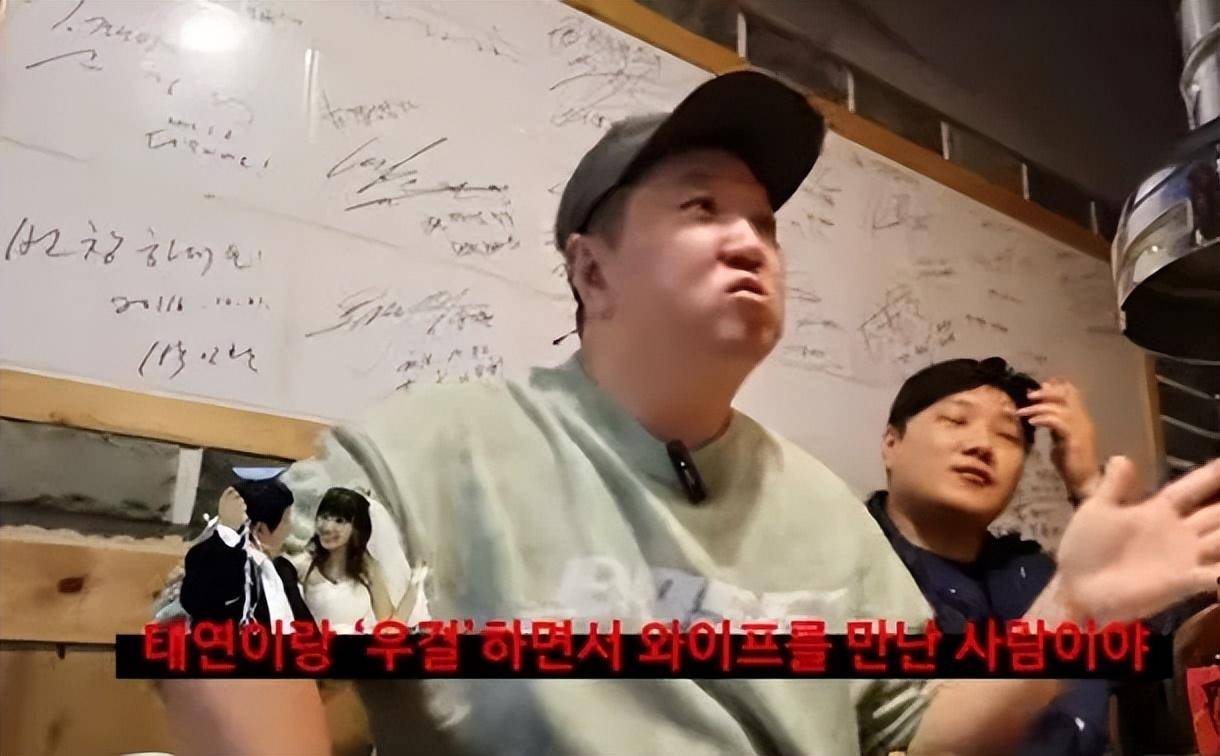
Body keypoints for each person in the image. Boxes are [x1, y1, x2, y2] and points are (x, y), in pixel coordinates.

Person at [161, 68, 1220, 756]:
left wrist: (1070, 614)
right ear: (593, 269)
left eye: (766, 222)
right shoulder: (434, 450)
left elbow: (908, 728)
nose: (750, 239)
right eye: (702, 206)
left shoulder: (821, 512)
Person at [868, 357, 1109, 754]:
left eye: (1007, 436)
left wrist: (1086, 483)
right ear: (891, 444)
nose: (981, 446)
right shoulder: (842, 565)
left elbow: (1165, 636)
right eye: (955, 421)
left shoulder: (1033, 576)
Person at [178, 476, 315, 629]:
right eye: (286, 520)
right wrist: (229, 533)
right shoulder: (207, 558)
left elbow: (307, 627)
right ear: (261, 529)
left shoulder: (284, 569)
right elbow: (202, 603)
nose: (290, 528)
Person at [295, 486, 425, 632]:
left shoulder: (368, 569)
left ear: (356, 528)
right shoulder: (304, 566)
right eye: (324, 517)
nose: (327, 527)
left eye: (339, 520)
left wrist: (413, 589)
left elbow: (387, 625)